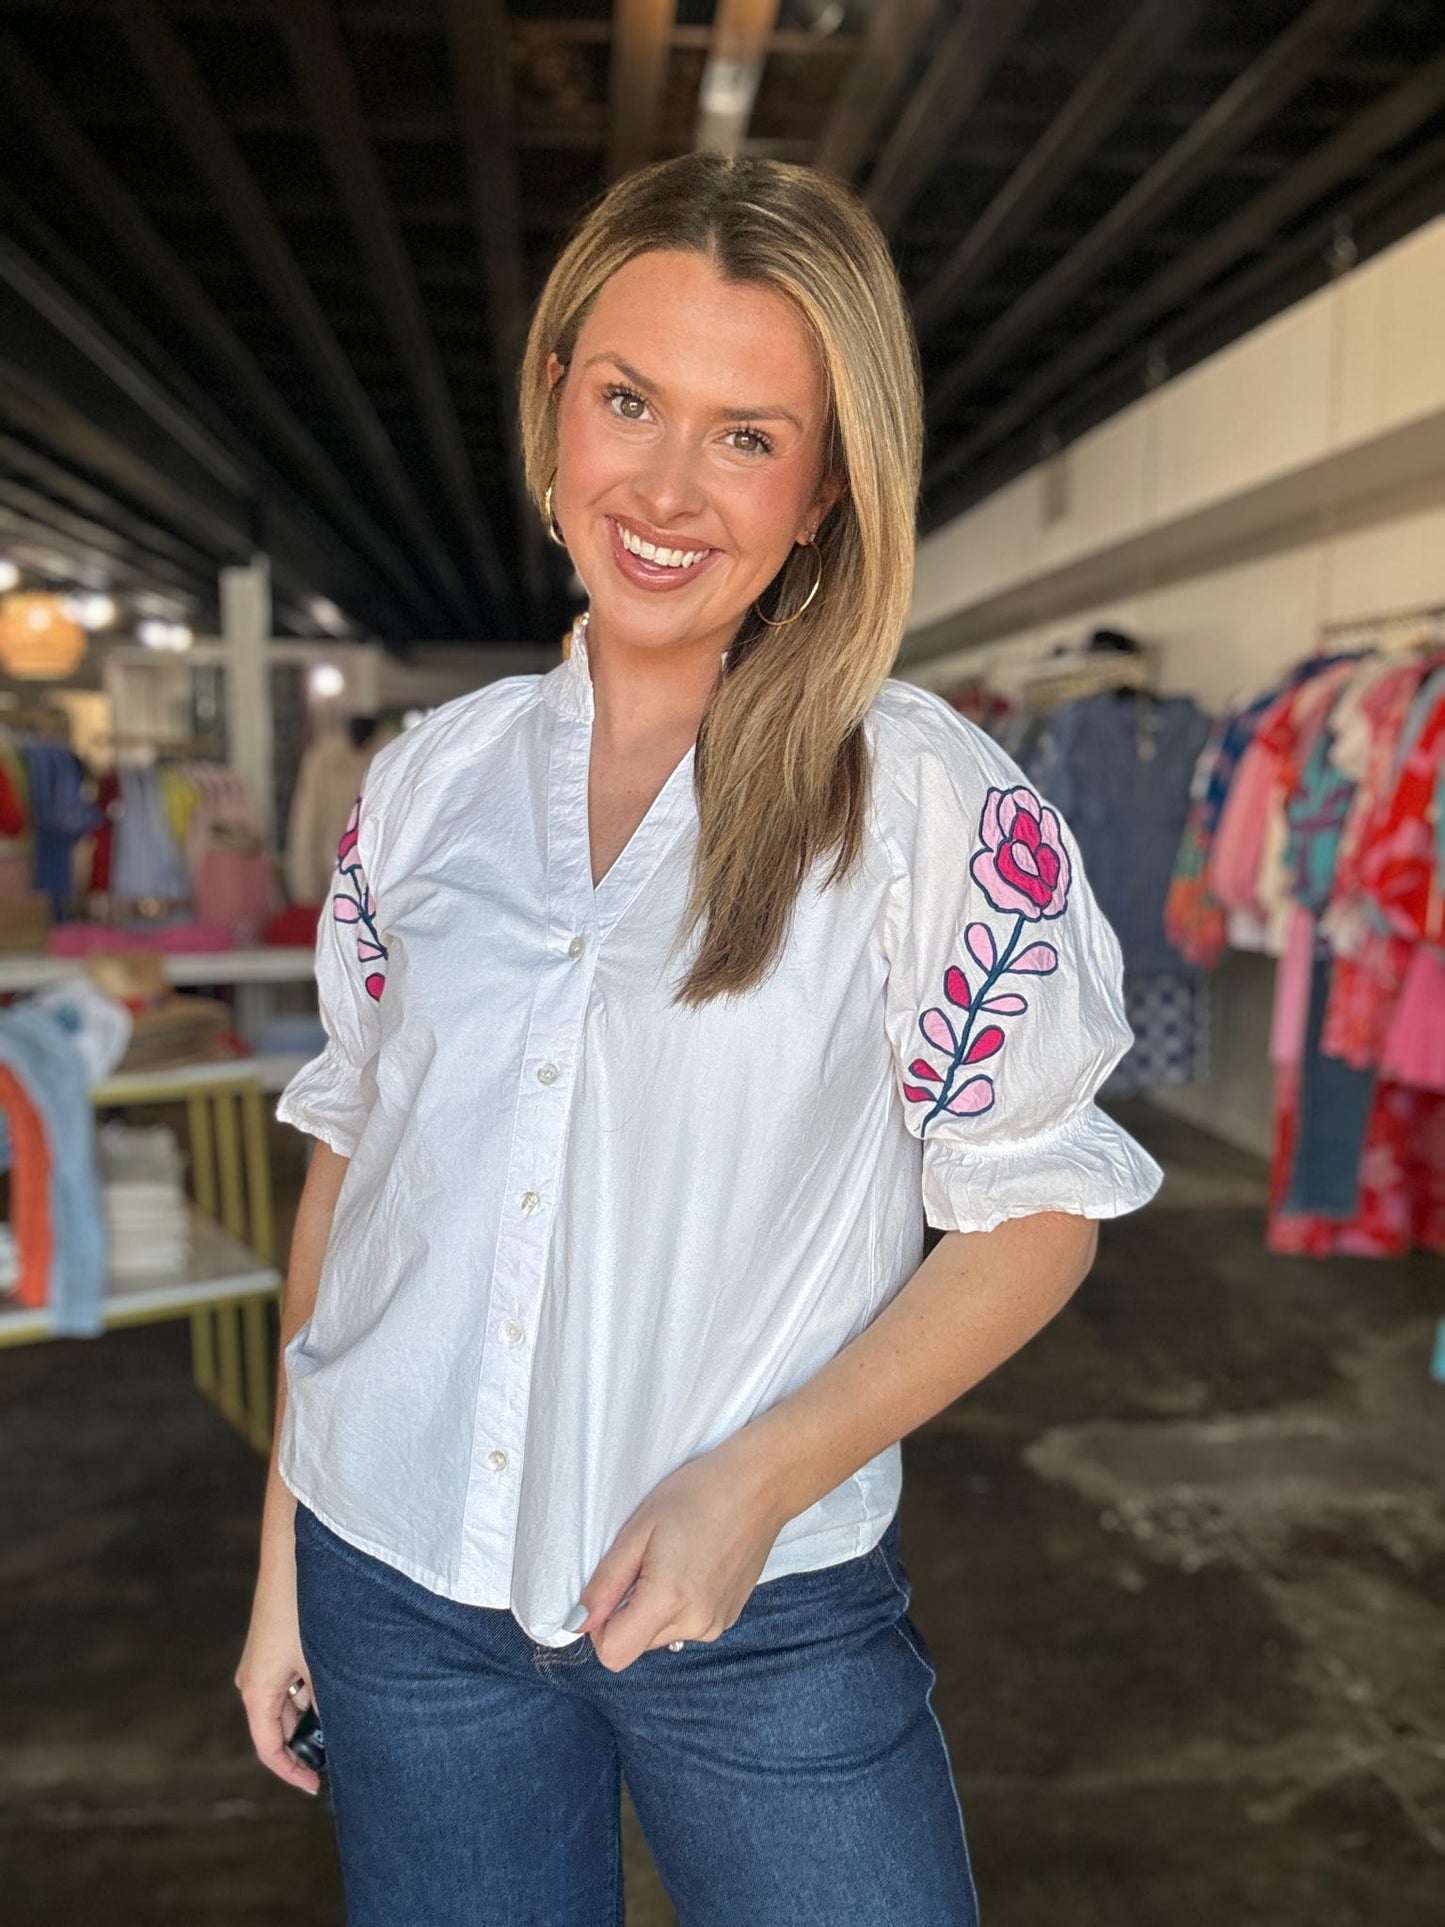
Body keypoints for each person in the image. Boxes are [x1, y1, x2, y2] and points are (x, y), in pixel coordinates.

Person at [236, 153, 1162, 1926]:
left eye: (748, 435)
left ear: (825, 490)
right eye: (628, 400)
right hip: (398, 1590)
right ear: (555, 408)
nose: (665, 488)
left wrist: (758, 1477)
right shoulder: (425, 785)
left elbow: (1034, 1209)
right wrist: (287, 1560)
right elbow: (360, 1171)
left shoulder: (924, 807)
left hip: (759, 1616)